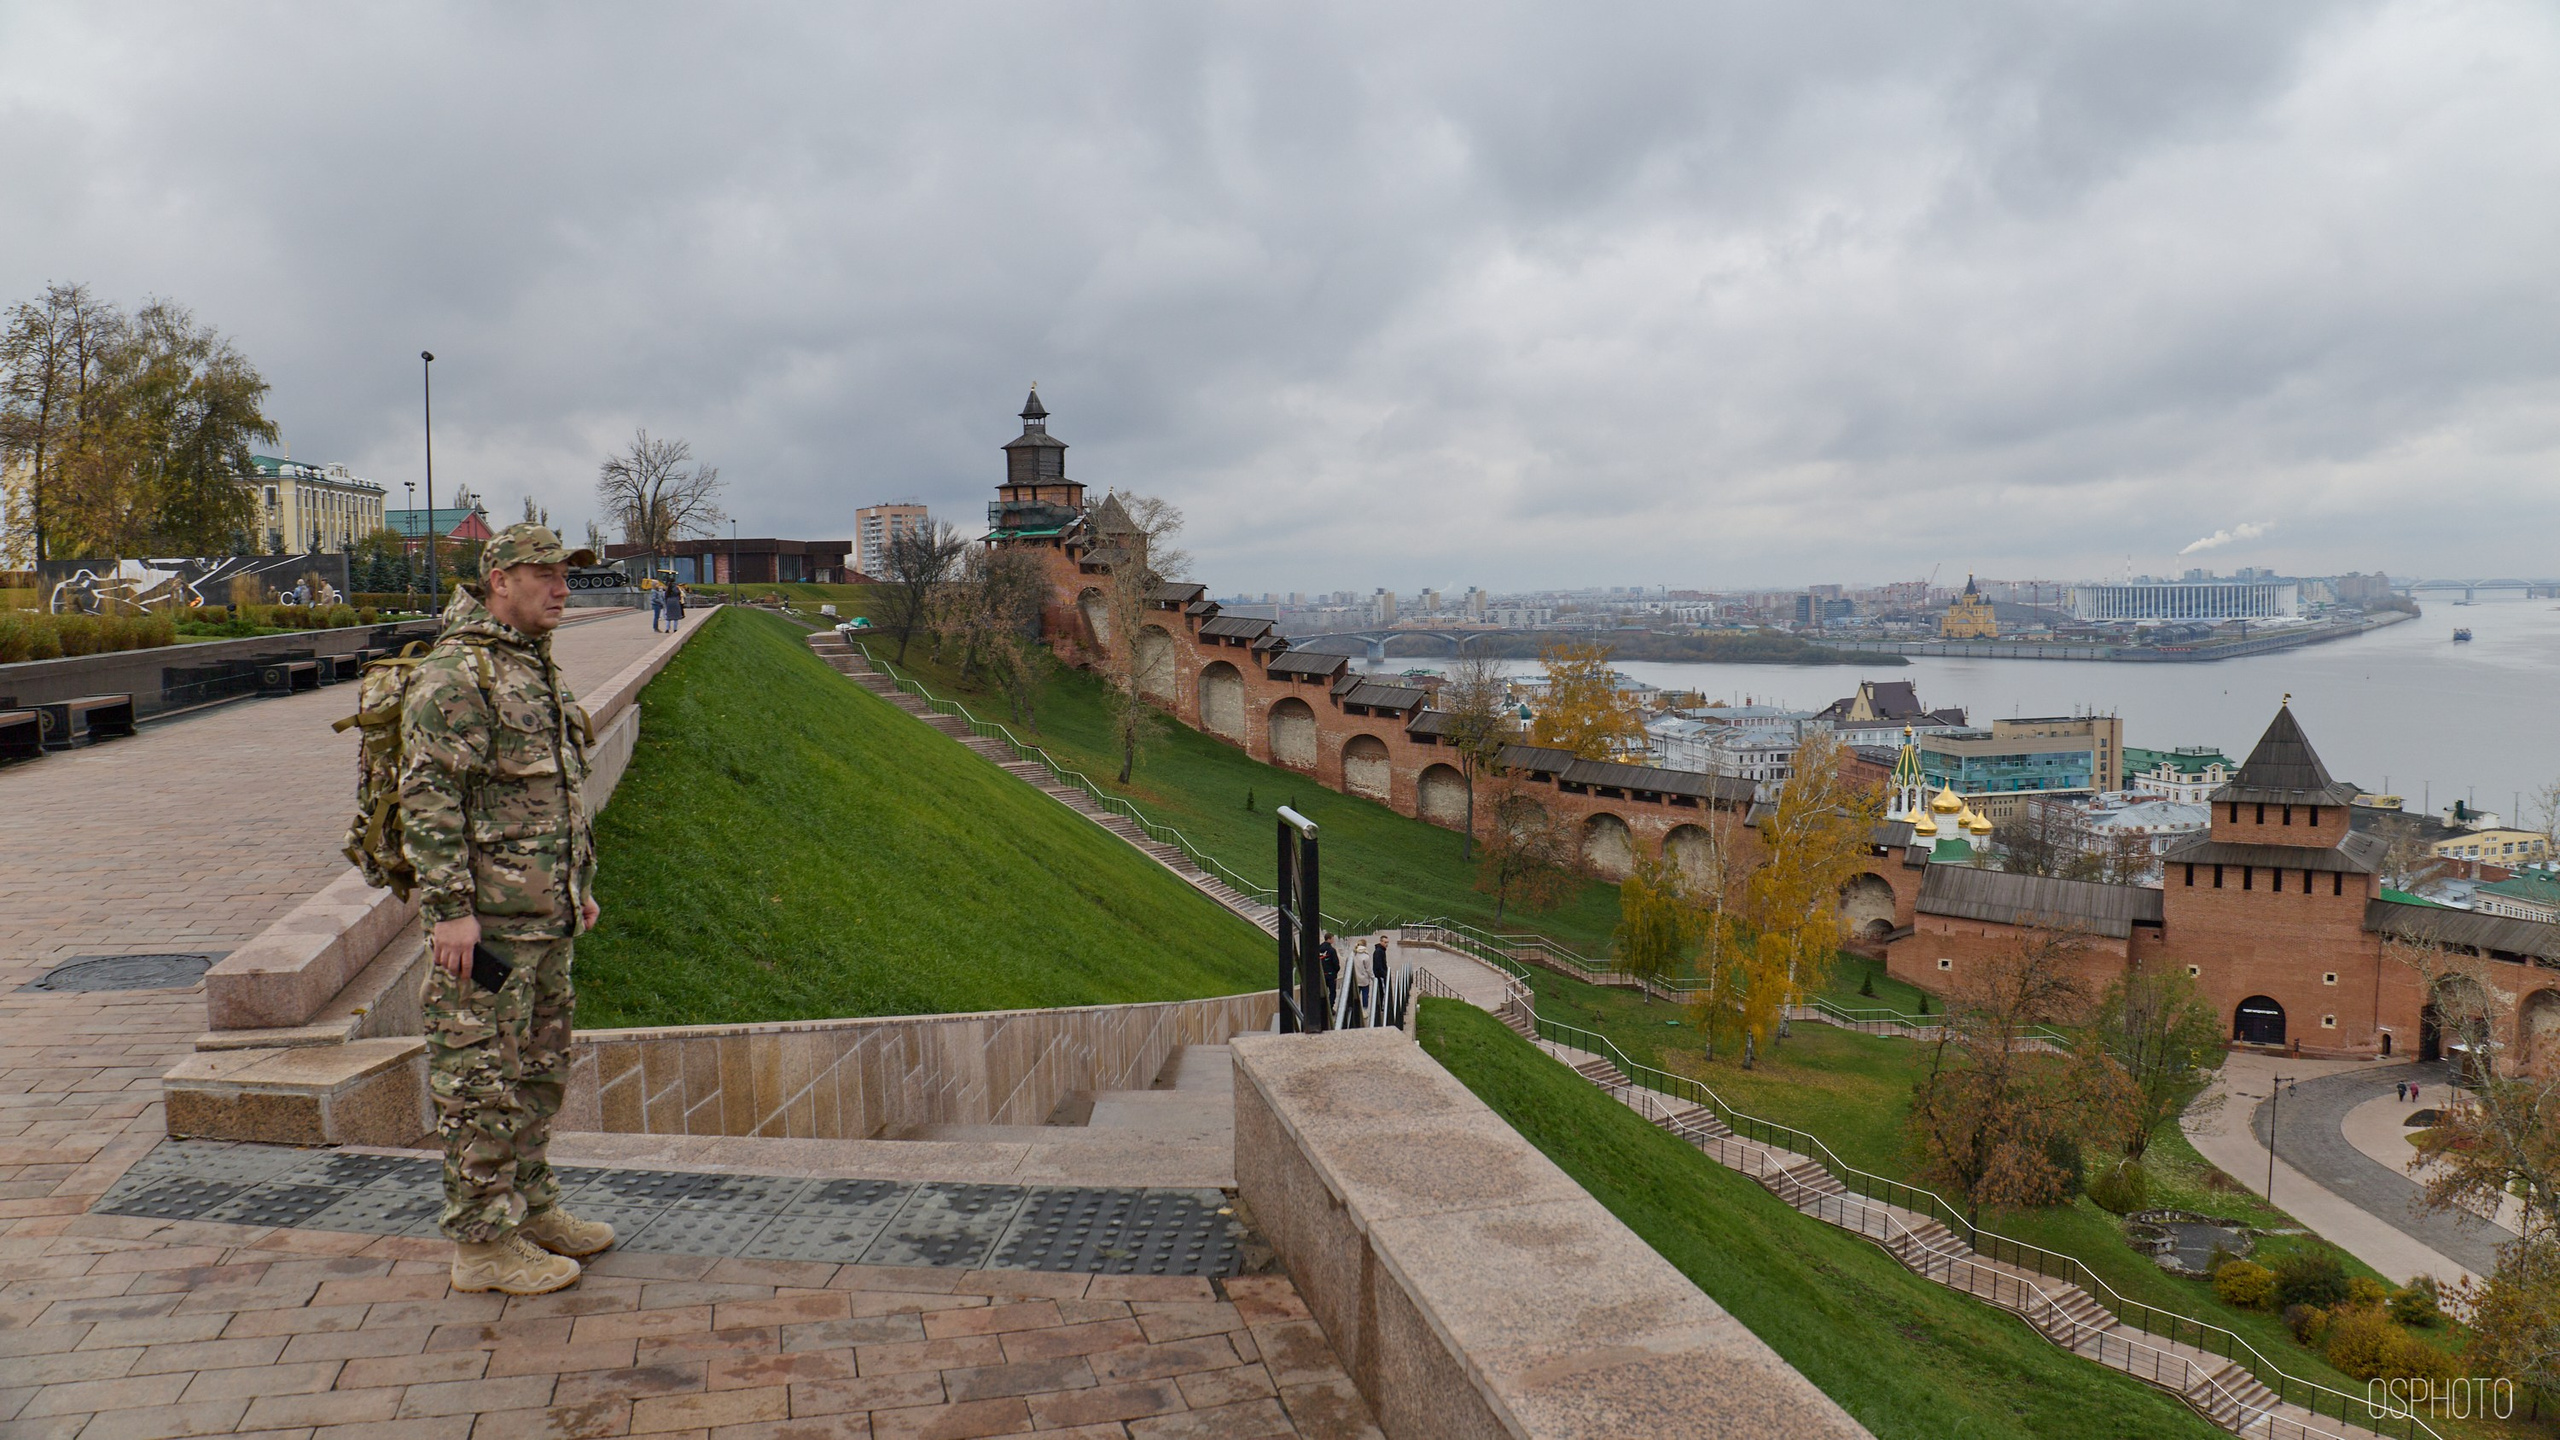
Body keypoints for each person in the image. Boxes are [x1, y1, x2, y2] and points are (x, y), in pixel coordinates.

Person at [401, 522, 612, 1297]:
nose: (562, 587)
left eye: (566, 573)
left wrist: (575, 886)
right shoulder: (460, 674)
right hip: (485, 930)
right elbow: (429, 799)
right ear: (500, 579)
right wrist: (451, 910)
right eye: (545, 573)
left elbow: (551, 793)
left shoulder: (532, 667)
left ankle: (532, 1211)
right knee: (479, 1082)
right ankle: (484, 1245)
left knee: (537, 1074)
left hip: (544, 920)